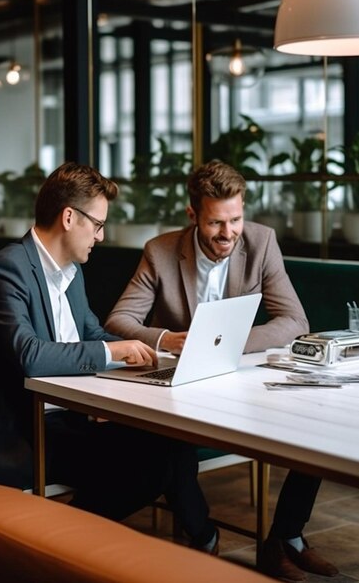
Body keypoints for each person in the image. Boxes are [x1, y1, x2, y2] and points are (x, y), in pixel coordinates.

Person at [0, 161, 220, 556]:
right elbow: (30, 355)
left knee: (170, 444)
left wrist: (149, 355)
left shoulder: (71, 272)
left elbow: (92, 333)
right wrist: (111, 351)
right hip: (18, 435)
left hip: (63, 423)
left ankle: (203, 539)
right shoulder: (8, 269)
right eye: (97, 224)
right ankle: (55, 545)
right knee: (150, 468)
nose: (101, 235)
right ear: (68, 217)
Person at [105, 160, 338, 581]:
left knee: (316, 425)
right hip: (182, 386)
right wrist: (168, 339)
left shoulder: (261, 242)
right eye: (216, 223)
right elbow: (119, 320)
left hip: (241, 380)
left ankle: (286, 537)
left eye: (236, 219)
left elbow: (294, 322)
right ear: (193, 215)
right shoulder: (160, 251)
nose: (228, 233)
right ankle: (203, 535)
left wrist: (229, 341)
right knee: (171, 438)